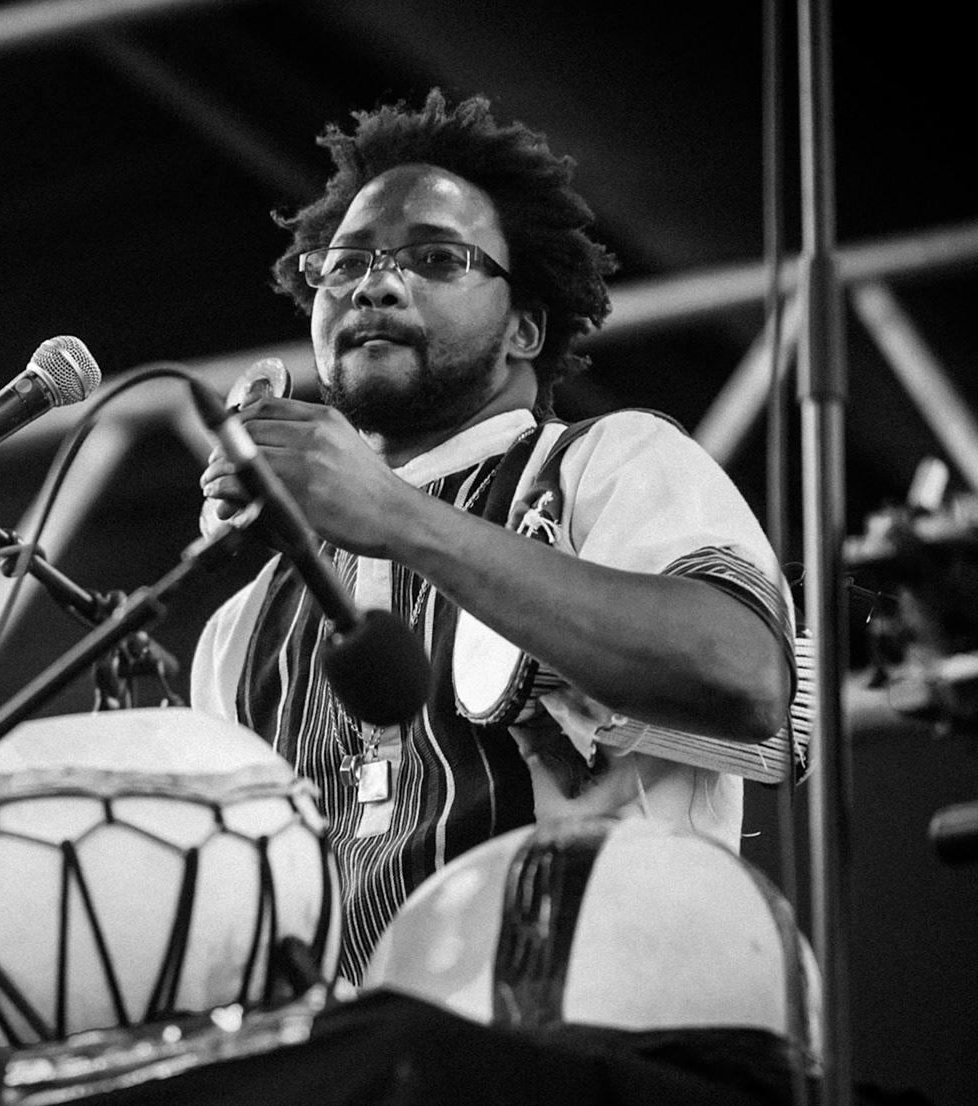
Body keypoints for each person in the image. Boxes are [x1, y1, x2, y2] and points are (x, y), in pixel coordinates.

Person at [192, 92, 796, 981]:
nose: (373, 285)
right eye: (344, 264)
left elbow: (745, 675)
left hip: (592, 1035)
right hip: (353, 1065)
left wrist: (397, 516)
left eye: (436, 257)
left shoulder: (608, 464)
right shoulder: (239, 630)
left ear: (525, 327)